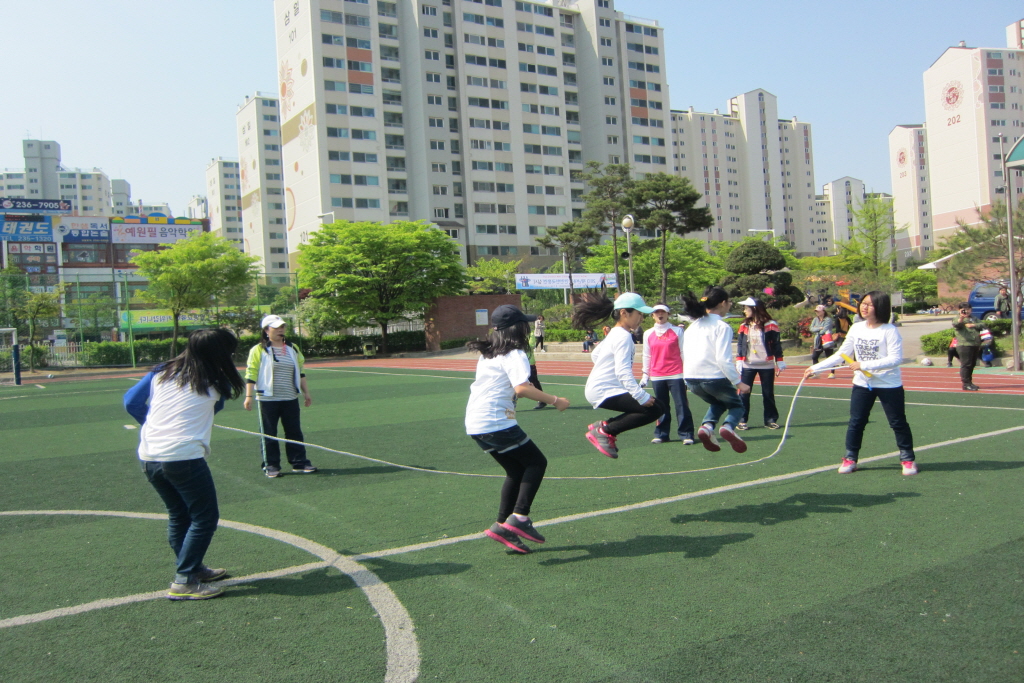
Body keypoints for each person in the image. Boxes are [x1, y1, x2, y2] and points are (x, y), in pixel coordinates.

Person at [123, 328, 245, 600]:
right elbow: (216, 408)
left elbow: (131, 401)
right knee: (204, 517)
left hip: (149, 455)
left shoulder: (161, 371)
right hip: (183, 456)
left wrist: (153, 425)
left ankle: (192, 569)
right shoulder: (218, 380)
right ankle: (185, 580)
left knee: (179, 514)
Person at [465, 304, 569, 554]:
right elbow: (522, 388)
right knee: (536, 463)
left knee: (515, 470)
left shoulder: (489, 353)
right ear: (518, 328)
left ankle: (502, 525)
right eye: (525, 324)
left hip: (476, 422)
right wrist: (555, 400)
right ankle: (520, 517)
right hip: (495, 422)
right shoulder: (515, 354)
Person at [802, 291, 918, 476]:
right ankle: (850, 458)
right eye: (863, 303)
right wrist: (817, 368)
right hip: (863, 384)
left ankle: (907, 459)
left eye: (870, 304)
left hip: (888, 384)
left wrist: (864, 364)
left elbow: (895, 359)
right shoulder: (856, 328)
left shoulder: (889, 330)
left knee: (897, 422)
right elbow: (842, 354)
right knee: (856, 422)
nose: (864, 307)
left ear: (880, 307)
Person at [573, 291, 665, 459]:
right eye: (639, 314)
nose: (642, 318)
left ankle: (604, 427)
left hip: (603, 387)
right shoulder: (623, 337)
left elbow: (595, 355)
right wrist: (640, 395)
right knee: (653, 410)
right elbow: (623, 372)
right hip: (603, 389)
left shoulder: (615, 334)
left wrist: (606, 368)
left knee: (658, 406)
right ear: (624, 313)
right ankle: (604, 431)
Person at [680, 286, 751, 453]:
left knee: (717, 402)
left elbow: (683, 353)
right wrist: (739, 383)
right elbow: (723, 359)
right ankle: (728, 427)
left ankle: (707, 426)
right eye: (729, 302)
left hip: (691, 377)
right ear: (723, 303)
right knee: (737, 405)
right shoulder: (721, 326)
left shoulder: (693, 326)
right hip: (713, 376)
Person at [244, 314, 316, 477]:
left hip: (290, 397)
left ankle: (299, 462)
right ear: (266, 330)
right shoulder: (258, 349)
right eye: (276, 327)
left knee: (294, 432)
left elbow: (301, 372)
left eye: (282, 327)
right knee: (269, 432)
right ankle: (271, 465)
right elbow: (251, 372)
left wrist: (306, 393)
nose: (280, 330)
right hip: (267, 399)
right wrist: (248, 396)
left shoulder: (293, 348)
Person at [641, 304, 695, 445]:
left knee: (681, 404)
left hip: (676, 373)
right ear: (652, 315)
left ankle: (686, 433)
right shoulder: (648, 333)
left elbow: (684, 352)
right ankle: (661, 434)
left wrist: (687, 373)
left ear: (668, 314)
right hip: (657, 375)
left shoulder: (677, 331)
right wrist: (645, 374)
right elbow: (647, 355)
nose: (660, 314)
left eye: (663, 312)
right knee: (661, 406)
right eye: (657, 312)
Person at [734, 297, 785, 431]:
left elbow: (776, 344)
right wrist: (739, 359)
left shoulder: (771, 324)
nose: (744, 311)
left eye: (747, 308)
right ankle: (742, 419)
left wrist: (779, 360)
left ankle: (770, 419)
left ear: (754, 309)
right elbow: (740, 344)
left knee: (768, 393)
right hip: (748, 364)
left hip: (766, 364)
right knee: (744, 392)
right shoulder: (744, 325)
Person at [952, 303, 982, 391]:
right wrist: (961, 317)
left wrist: (974, 325)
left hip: (975, 344)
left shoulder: (974, 318)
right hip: (964, 344)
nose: (967, 311)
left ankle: (970, 382)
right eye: (964, 309)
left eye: (968, 309)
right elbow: (957, 325)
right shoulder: (957, 318)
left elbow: (982, 325)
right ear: (959, 310)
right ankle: (966, 384)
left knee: (972, 364)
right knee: (966, 364)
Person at [809, 305, 836, 379]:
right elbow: (811, 328)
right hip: (818, 340)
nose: (817, 312)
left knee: (829, 357)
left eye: (818, 311)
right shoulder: (815, 319)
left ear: (823, 311)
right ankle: (816, 373)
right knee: (814, 356)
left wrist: (817, 329)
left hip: (826, 339)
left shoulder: (828, 319)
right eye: (816, 311)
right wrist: (819, 328)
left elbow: (825, 329)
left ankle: (832, 373)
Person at [526, 330, 547, 409]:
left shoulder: (529, 334)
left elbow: (531, 345)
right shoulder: (513, 334)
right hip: (517, 363)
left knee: (534, 382)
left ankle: (542, 400)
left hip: (529, 363)